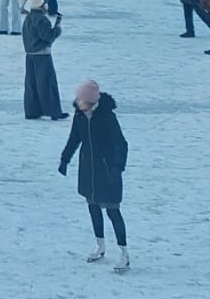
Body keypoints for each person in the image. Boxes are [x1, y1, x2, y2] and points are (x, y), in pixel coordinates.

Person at [58, 80, 130, 273]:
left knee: (113, 211)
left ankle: (123, 252)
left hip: (107, 171)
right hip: (88, 171)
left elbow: (121, 144)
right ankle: (100, 245)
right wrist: (65, 159)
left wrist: (117, 167)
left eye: (81, 100)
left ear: (90, 101)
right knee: (93, 207)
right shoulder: (80, 115)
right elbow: (74, 138)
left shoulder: (107, 117)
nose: (77, 102)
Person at [22, 0, 66, 120]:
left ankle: (32, 111)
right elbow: (48, 36)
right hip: (42, 55)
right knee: (47, 83)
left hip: (30, 55)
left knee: (31, 85)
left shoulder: (28, 18)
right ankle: (54, 111)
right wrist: (57, 29)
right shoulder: (41, 19)